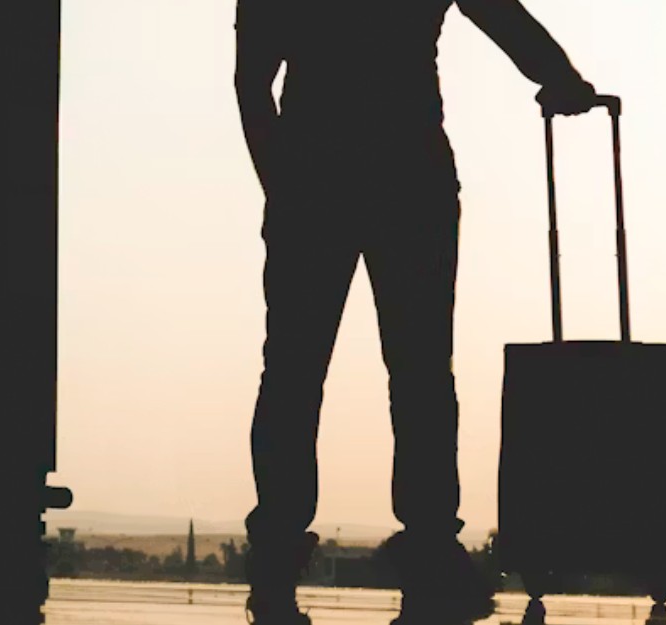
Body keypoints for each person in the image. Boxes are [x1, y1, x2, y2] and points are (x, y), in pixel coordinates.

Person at [234, 0, 598, 622]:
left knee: (294, 371)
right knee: (422, 371)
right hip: (410, 174)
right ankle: (430, 544)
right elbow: (502, 16)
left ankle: (277, 548)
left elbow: (251, 82)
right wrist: (560, 79)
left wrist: (284, 184)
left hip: (314, 173)